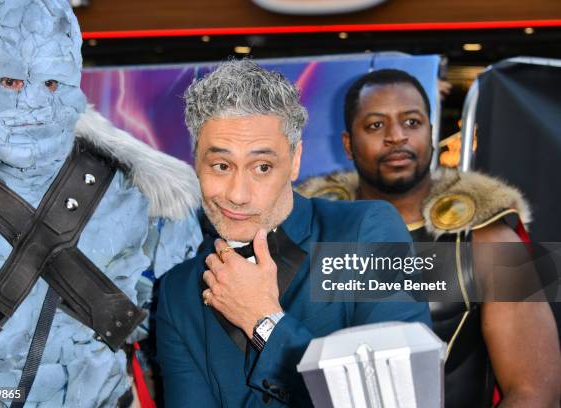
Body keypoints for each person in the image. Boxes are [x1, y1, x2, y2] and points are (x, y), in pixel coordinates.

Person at [0, 1, 201, 407]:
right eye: (11, 81)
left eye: (52, 83)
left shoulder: (143, 196)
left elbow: (183, 339)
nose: (33, 102)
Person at [155, 60, 431, 407]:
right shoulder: (177, 290)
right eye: (221, 166)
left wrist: (264, 320)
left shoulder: (367, 231)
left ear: (295, 159)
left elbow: (397, 399)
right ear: (196, 161)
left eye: (262, 167)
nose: (237, 194)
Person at [297, 68, 561, 407]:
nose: (397, 136)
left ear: (432, 134)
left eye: (411, 122)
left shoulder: (497, 242)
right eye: (376, 125)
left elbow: (538, 392)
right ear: (348, 144)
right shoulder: (305, 236)